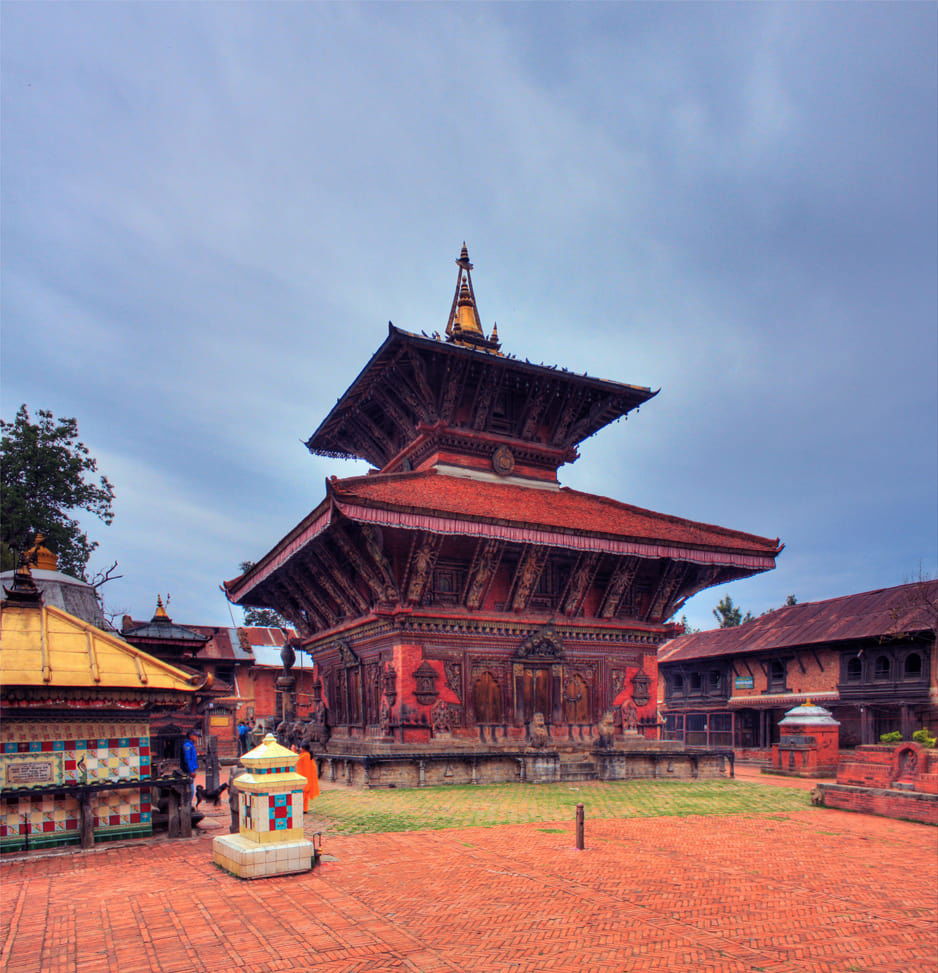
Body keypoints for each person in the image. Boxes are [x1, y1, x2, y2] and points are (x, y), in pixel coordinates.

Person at [294, 742, 319, 812]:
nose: (300, 749)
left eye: (301, 748)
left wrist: (294, 751)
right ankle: (305, 809)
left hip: (305, 778)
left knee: (303, 795)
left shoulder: (305, 756)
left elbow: (296, 760)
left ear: (304, 749)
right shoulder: (307, 755)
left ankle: (303, 809)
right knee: (305, 796)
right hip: (307, 777)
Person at [182, 730, 200, 804]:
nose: (197, 738)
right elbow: (188, 759)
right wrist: (191, 771)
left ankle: (188, 805)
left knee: (191, 789)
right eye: (196, 736)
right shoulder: (187, 745)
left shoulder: (191, 745)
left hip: (191, 769)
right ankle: (187, 805)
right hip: (188, 771)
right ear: (191, 736)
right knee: (191, 790)